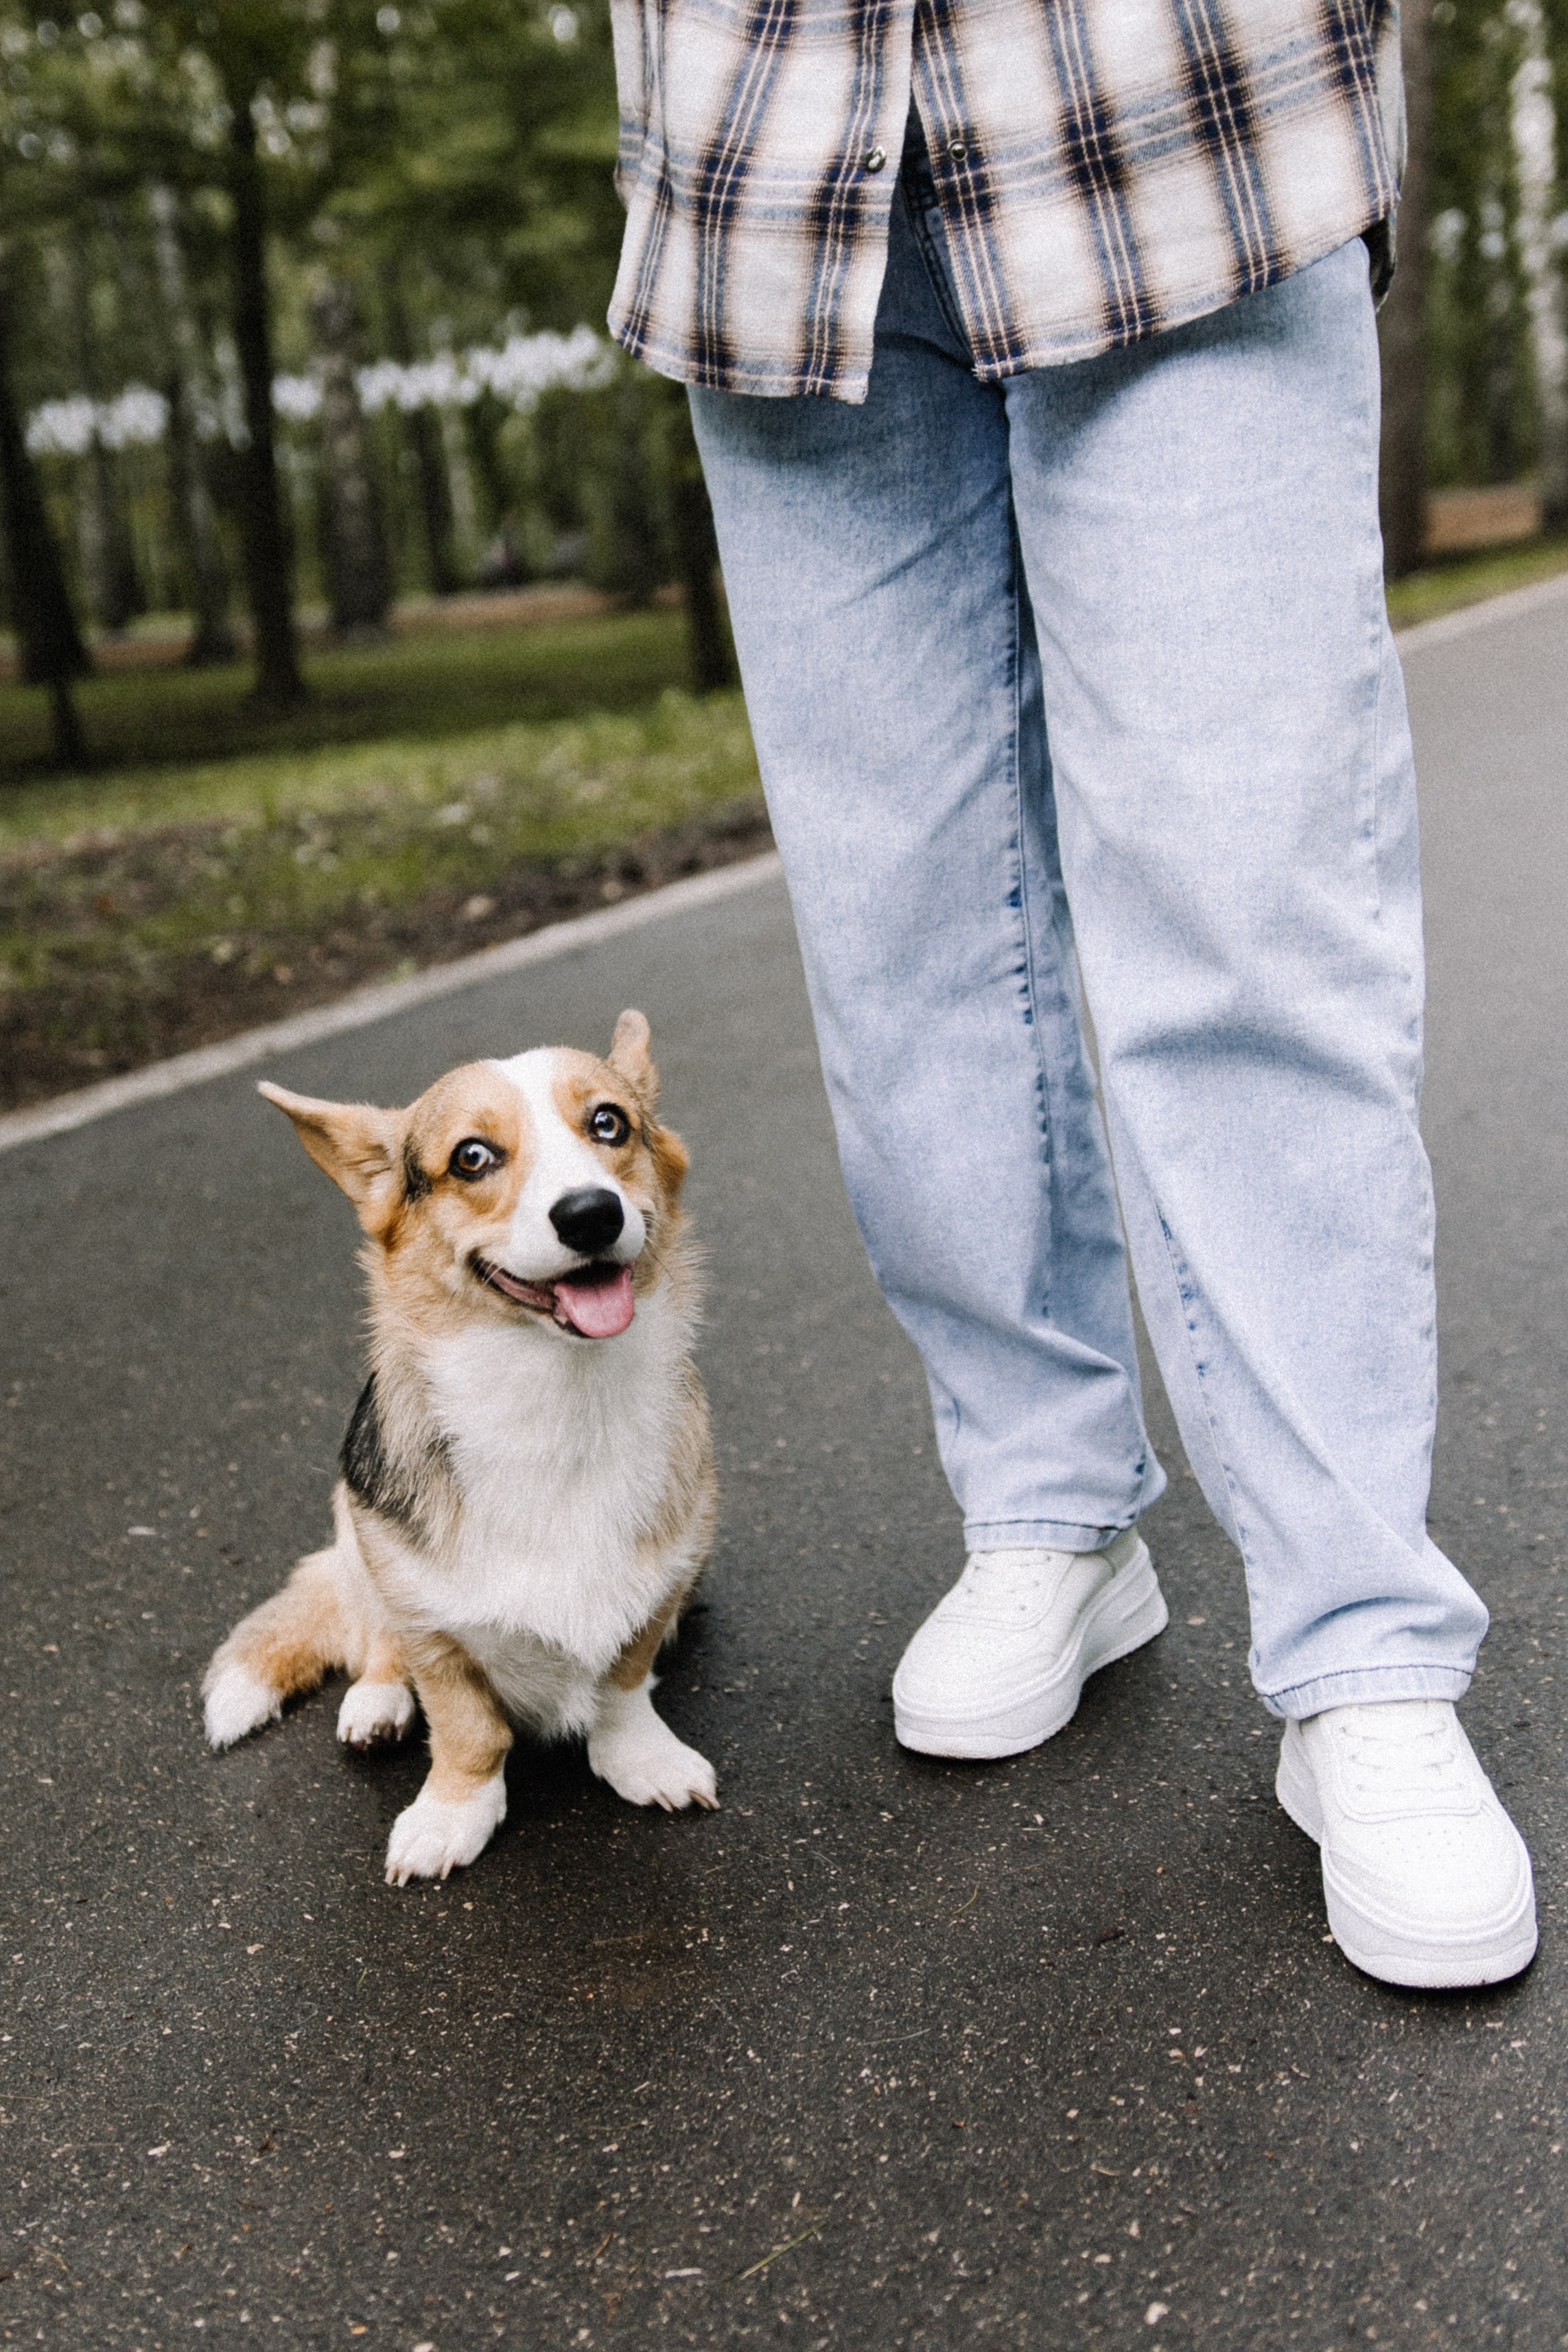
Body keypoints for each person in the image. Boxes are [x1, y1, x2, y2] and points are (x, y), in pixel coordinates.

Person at [603, 0, 1536, 1990]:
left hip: (1178, 100)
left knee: (1249, 905)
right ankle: (1048, 1506)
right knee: (902, 923)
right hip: (773, 151)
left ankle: (1363, 1647)